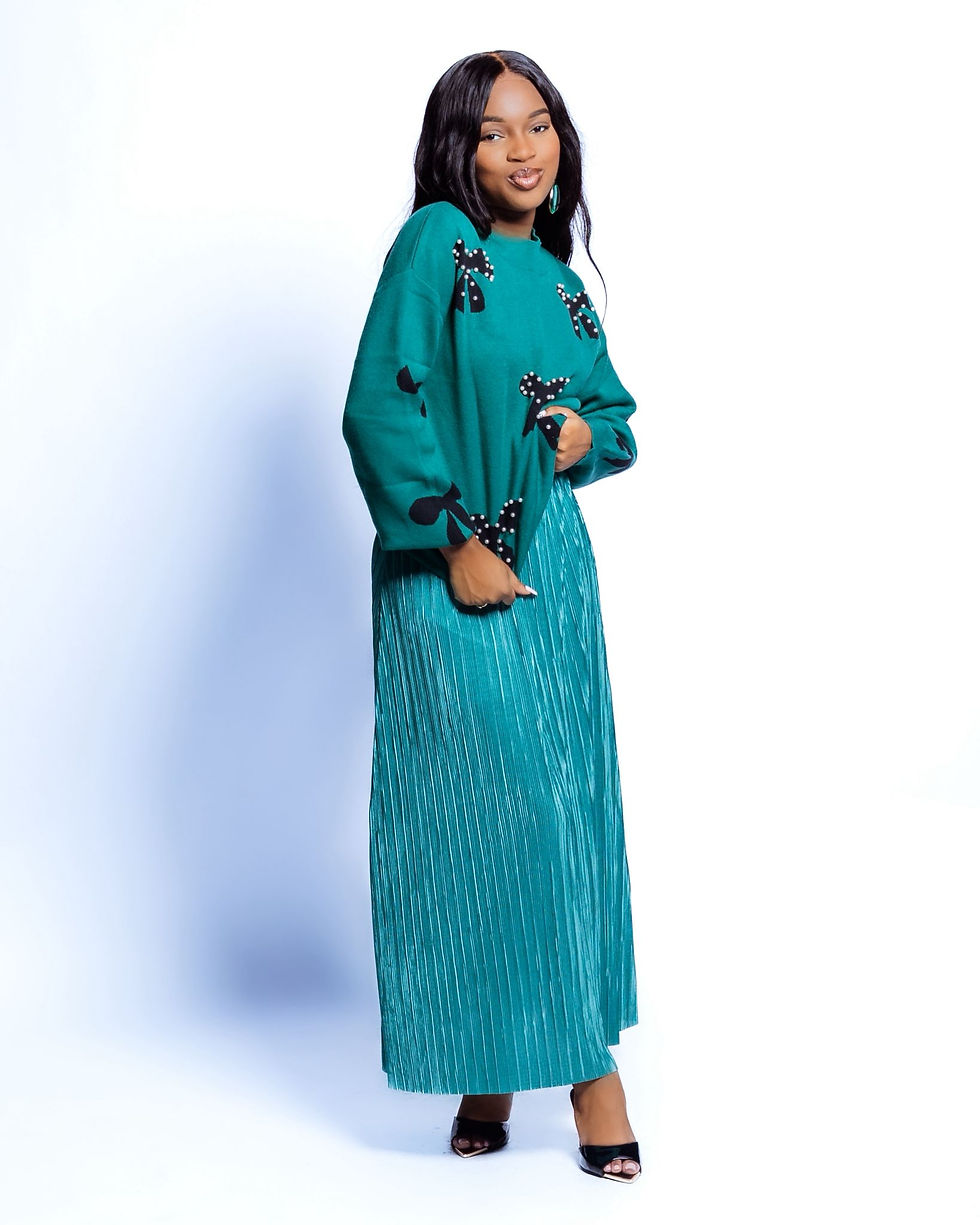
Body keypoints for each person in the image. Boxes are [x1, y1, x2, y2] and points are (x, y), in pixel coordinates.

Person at [341, 49, 642, 1183]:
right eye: (494, 131)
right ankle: (566, 1071)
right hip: (448, 564)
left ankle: (516, 1066)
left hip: (553, 572)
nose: (523, 149)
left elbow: (616, 420)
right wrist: (453, 541)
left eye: (539, 124)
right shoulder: (436, 245)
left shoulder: (560, 285)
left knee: (563, 806)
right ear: (456, 150)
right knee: (483, 814)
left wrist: (586, 438)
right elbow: (378, 401)